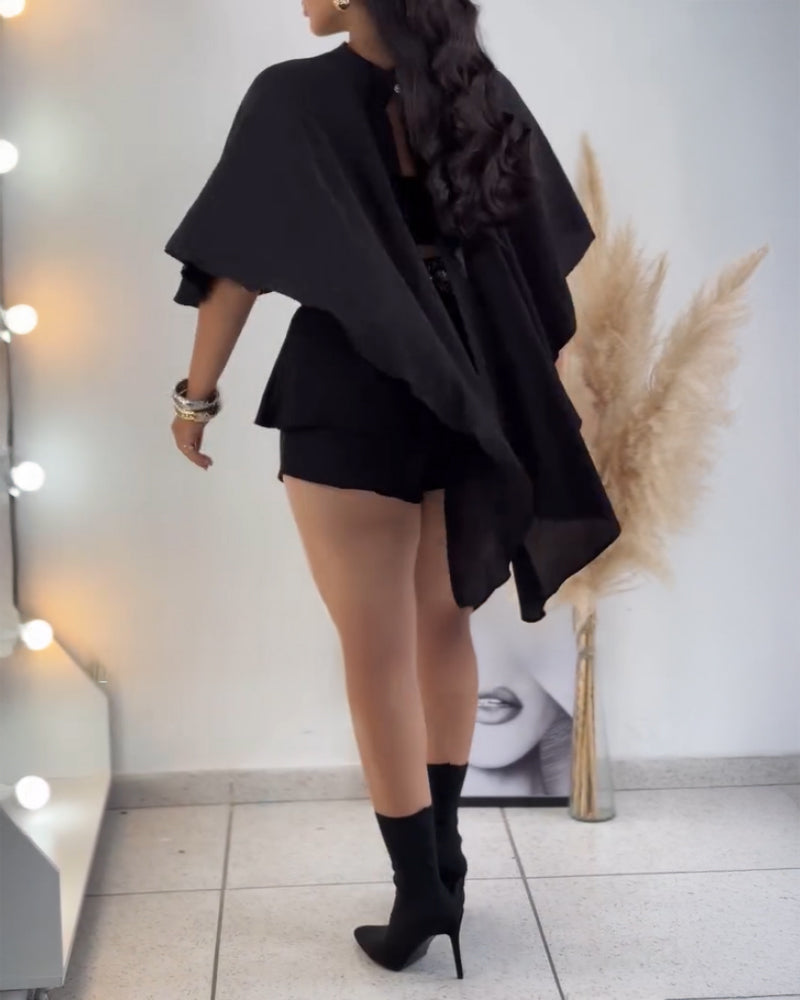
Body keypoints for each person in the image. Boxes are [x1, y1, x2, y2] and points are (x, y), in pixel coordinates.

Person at [164, 0, 622, 980]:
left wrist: (195, 397)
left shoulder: (292, 97)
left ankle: (420, 889)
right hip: (465, 388)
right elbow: (540, 261)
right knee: (441, 627)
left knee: (373, 653)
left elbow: (233, 268)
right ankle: (445, 858)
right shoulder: (476, 89)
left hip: (348, 387)